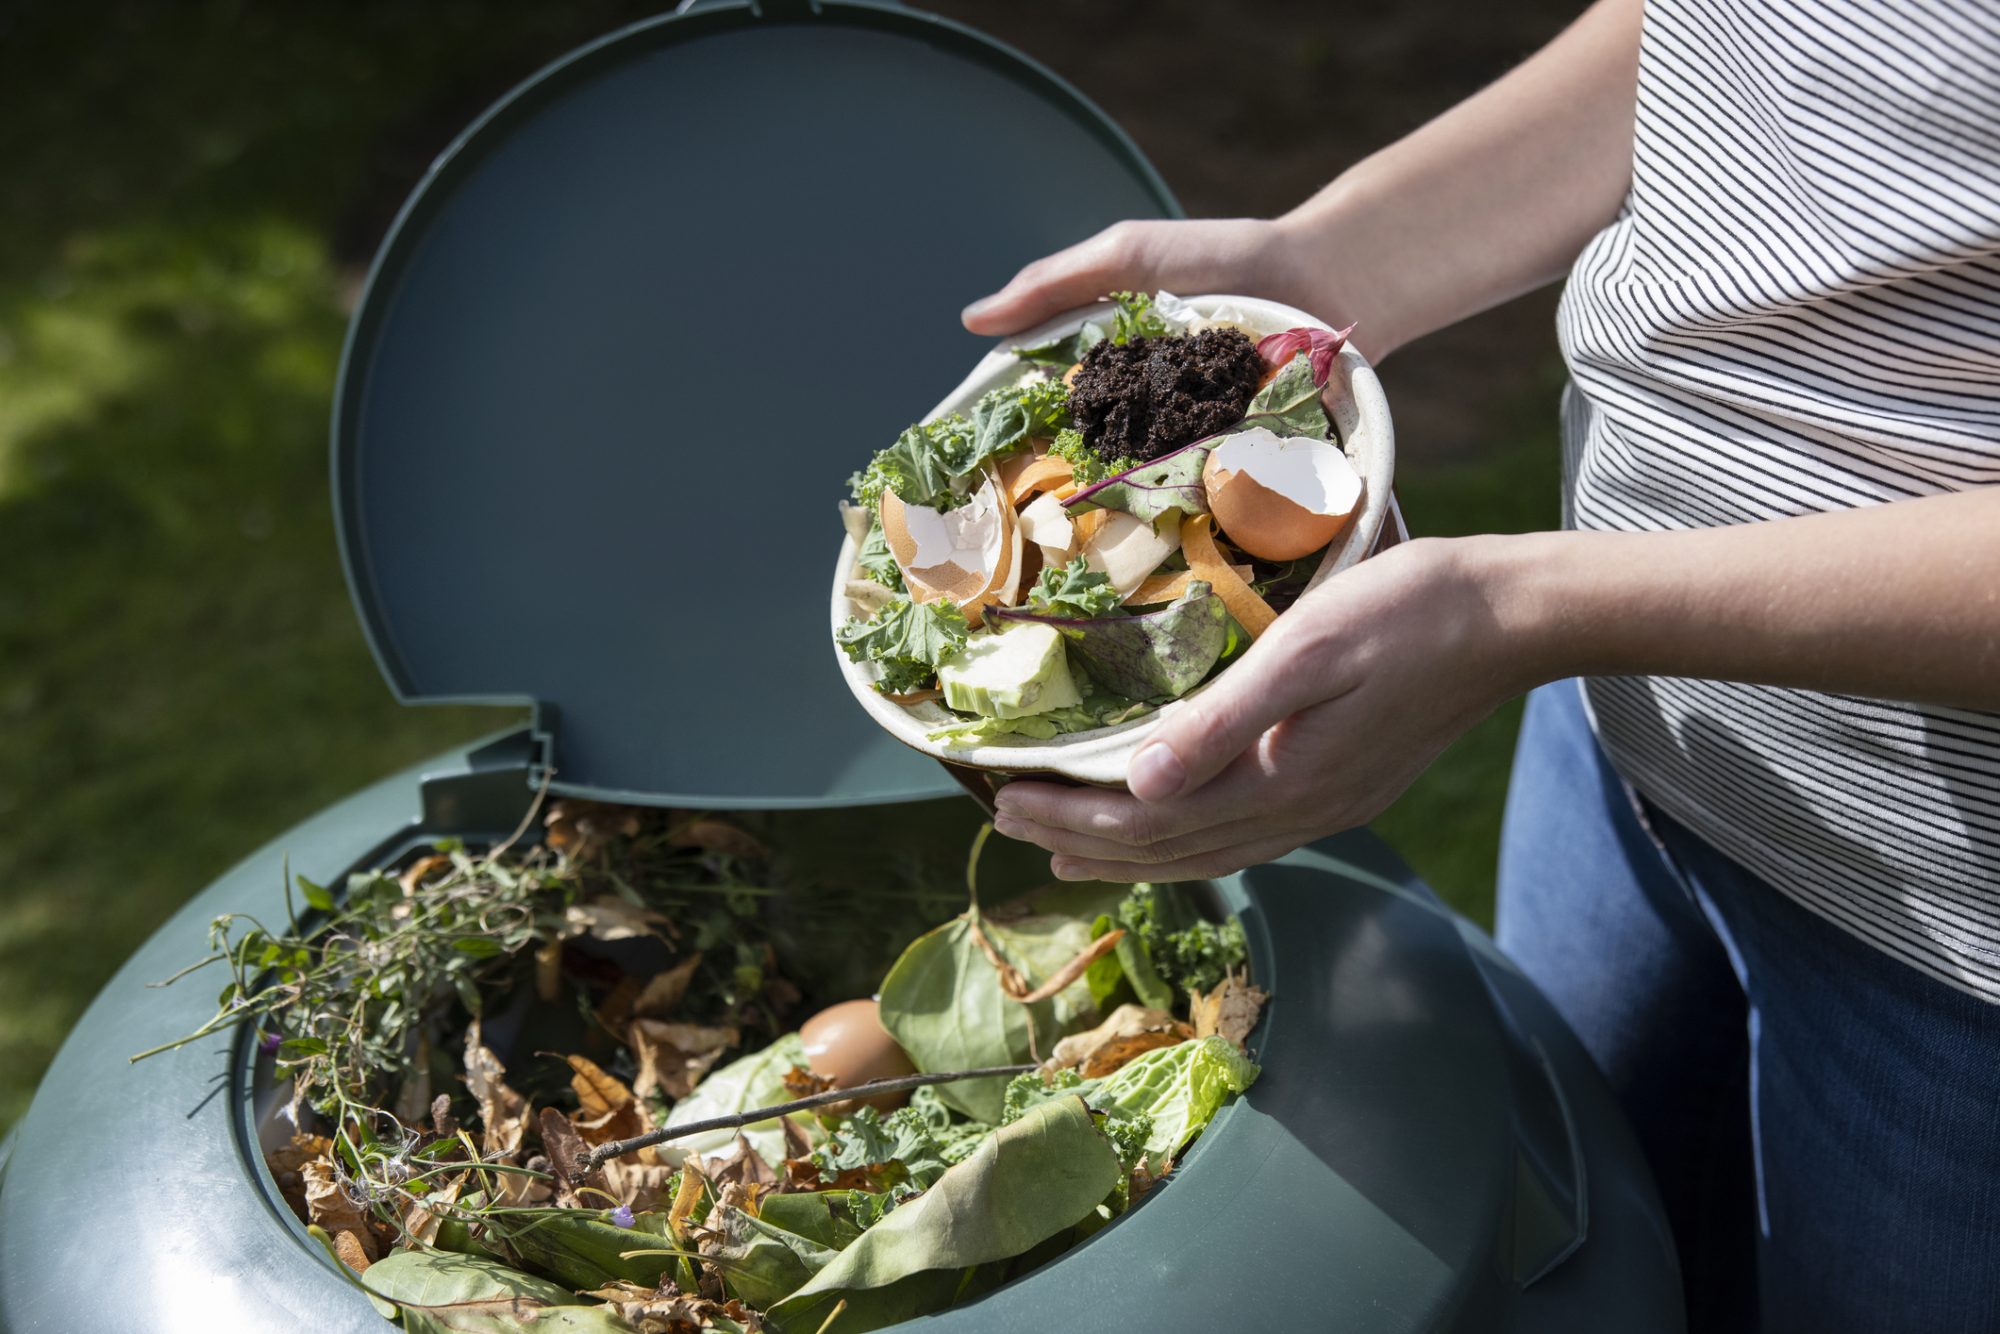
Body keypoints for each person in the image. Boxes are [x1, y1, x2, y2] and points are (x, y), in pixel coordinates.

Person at [961, 1, 2000, 1330]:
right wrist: (1323, 268)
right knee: (1569, 1276)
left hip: (1951, 942)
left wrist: (1525, 612)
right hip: (1623, 747)